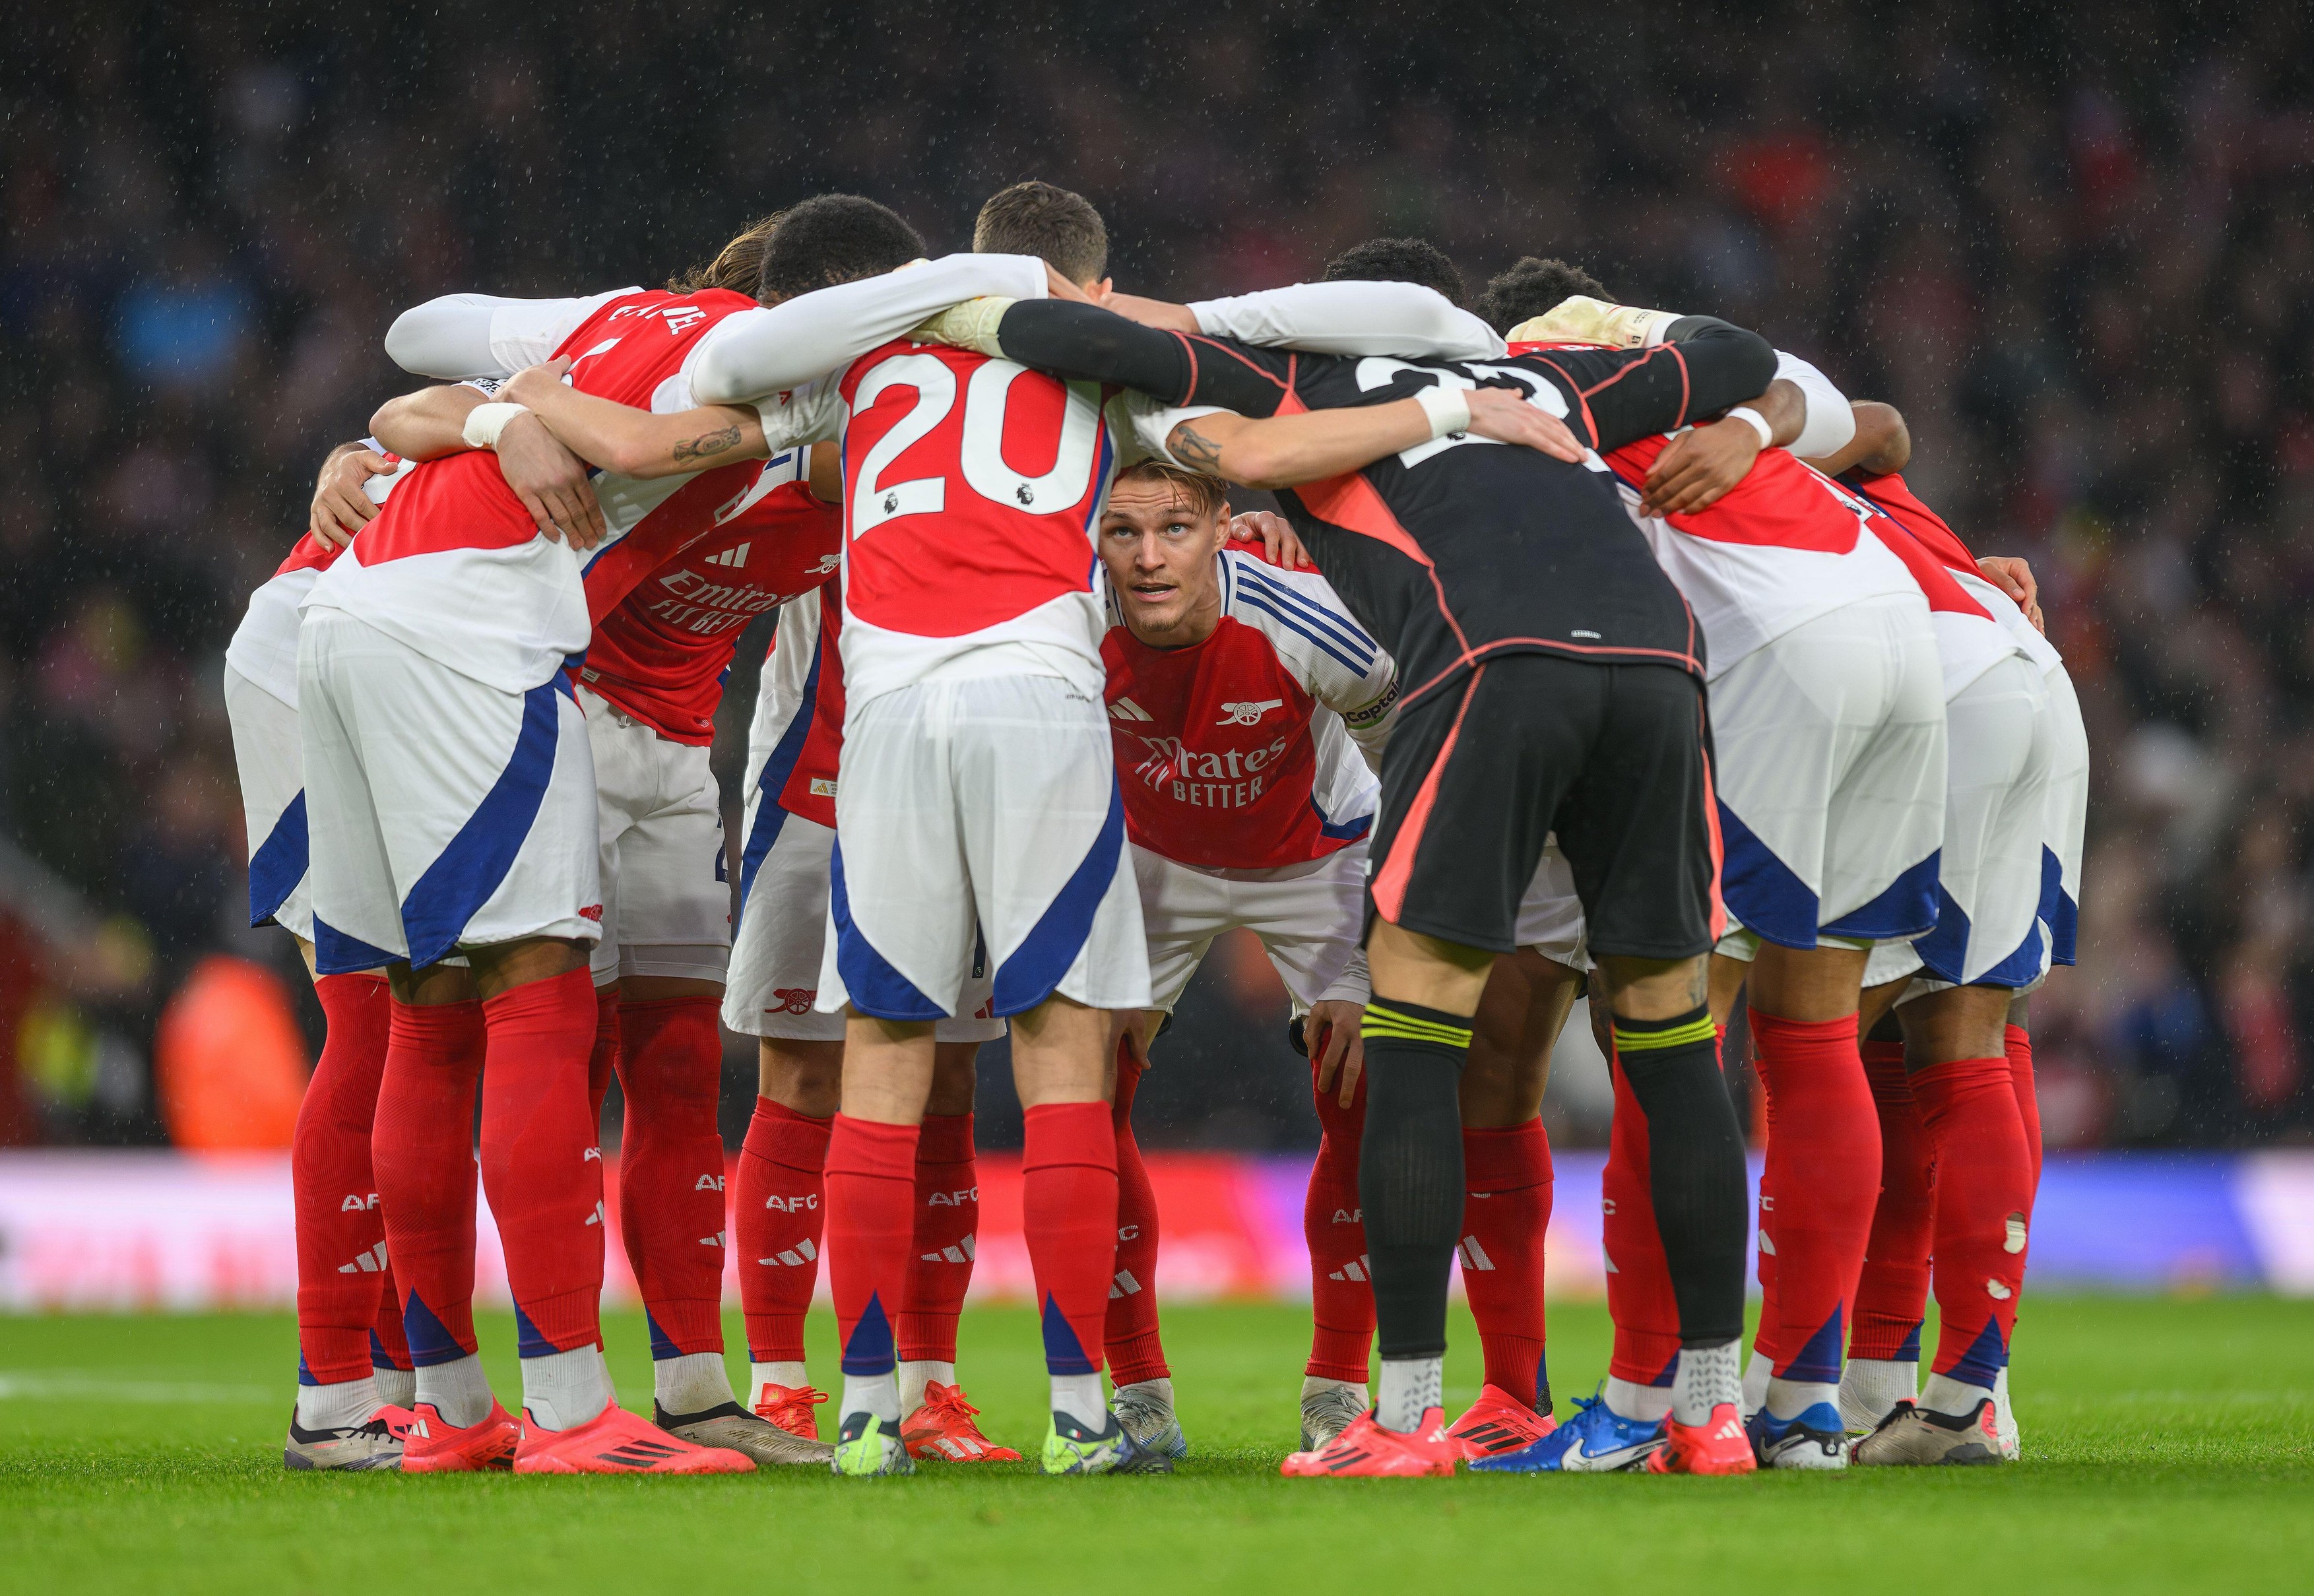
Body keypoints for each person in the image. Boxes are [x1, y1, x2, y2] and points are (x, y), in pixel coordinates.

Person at [928, 277, 1779, 1477]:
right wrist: (1697, 393)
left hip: (1491, 669)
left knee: (1413, 1033)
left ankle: (1405, 1419)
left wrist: (969, 309)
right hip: (1659, 670)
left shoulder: (1301, 382)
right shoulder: (1548, 383)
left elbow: (1066, 336)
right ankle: (1710, 1415)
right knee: (1673, 1041)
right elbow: (1734, 346)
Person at [1461, 261, 1947, 1471]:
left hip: (1774, 658)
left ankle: (1650, 1404)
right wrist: (1742, 423)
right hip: (1896, 637)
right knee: (1818, 1031)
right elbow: (1870, 421)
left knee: (1667, 1027)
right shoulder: (1716, 392)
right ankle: (1802, 1403)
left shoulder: (1540, 394)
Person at [1094, 459, 1396, 1460]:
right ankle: (1136, 1396)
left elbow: (1418, 760)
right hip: (1150, 860)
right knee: (1082, 1101)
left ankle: (1337, 1392)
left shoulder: (1305, 616)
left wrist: (1385, 940)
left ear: (1226, 525)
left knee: (1361, 1089)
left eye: (1176, 529)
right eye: (1122, 532)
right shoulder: (1059, 611)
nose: (1148, 559)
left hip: (1320, 857)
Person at [1812, 404, 2071, 1465]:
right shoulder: (1823, 463)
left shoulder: (1686, 468)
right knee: (1943, 1036)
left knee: (1818, 1030)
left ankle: (1805, 1386)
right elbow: (1885, 430)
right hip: (2015, 675)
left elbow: (1883, 425)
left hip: (1934, 698)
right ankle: (1943, 1386)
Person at [230, 439, 419, 1470]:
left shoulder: (588, 363)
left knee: (423, 1024)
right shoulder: (643, 394)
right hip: (324, 650)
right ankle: (333, 1399)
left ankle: (394, 1384)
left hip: (381, 654)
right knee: (379, 1020)